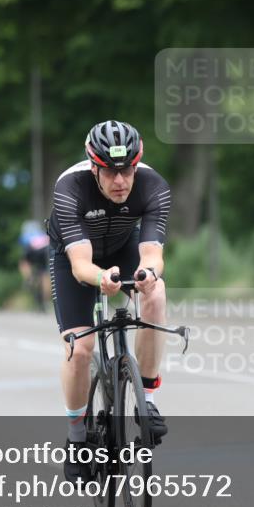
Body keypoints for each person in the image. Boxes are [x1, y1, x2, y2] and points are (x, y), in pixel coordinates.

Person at [47, 120, 171, 483]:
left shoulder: (154, 186)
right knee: (80, 348)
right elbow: (81, 264)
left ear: (137, 164)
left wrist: (147, 274)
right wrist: (100, 277)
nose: (120, 181)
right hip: (74, 256)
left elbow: (152, 254)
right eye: (110, 172)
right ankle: (76, 438)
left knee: (156, 291)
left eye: (127, 170)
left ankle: (145, 399)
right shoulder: (70, 187)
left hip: (122, 245)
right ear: (93, 166)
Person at [18, 220, 50, 311]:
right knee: (45, 274)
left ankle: (28, 278)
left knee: (23, 262)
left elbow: (24, 248)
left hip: (32, 251)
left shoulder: (25, 235)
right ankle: (46, 300)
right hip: (45, 251)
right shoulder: (42, 234)